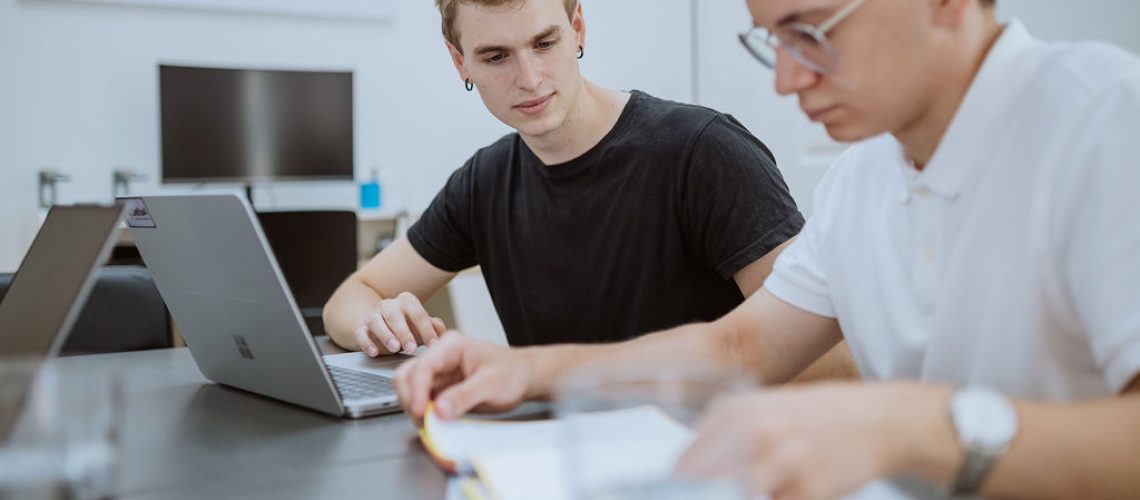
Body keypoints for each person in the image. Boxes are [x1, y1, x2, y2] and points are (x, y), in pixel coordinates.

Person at [393, 0, 1140, 498]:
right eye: (772, 41)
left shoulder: (1104, 120)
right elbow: (741, 350)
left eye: (812, 30)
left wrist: (904, 426)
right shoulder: (862, 180)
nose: (786, 78)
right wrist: (520, 369)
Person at [323, 0, 855, 380]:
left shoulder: (703, 152)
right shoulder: (484, 181)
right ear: (460, 61)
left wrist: (553, 373)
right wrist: (377, 322)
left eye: (544, 42)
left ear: (577, 28)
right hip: (558, 459)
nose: (530, 78)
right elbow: (348, 299)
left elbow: (832, 355)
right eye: (495, 57)